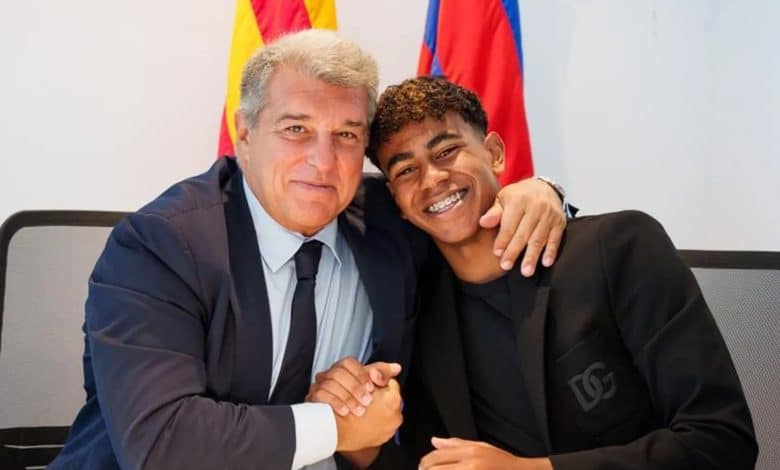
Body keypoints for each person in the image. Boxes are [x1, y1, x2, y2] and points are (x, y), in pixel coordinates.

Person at [49, 31, 567, 469]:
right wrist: (335, 426)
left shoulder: (389, 222)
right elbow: (162, 444)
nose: (323, 161)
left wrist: (543, 192)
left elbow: (461, 215)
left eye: (346, 135)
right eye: (296, 129)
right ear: (244, 133)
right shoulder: (159, 247)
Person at [356, 76, 757, 469]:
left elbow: (721, 440)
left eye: (446, 151)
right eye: (406, 170)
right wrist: (355, 438)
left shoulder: (620, 249)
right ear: (396, 200)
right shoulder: (421, 313)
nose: (432, 179)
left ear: (494, 153)